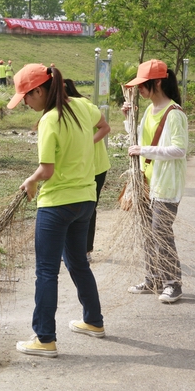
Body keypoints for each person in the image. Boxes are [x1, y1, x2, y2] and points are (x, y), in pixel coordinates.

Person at [8, 63, 105, 358]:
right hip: (85, 200)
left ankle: (45, 338)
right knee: (78, 263)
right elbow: (103, 126)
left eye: (26, 96)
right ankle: (93, 321)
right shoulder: (83, 106)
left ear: (39, 90)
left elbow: (47, 170)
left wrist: (31, 180)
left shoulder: (49, 120)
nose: (25, 102)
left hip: (57, 205)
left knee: (47, 271)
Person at [124, 59, 188, 303]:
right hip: (146, 182)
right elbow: (138, 143)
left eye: (143, 85)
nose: (139, 90)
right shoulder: (148, 111)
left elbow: (179, 150)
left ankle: (173, 282)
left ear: (158, 82)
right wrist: (128, 119)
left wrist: (144, 151)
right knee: (147, 234)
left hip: (166, 184)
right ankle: (152, 278)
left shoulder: (175, 113)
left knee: (161, 233)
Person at [63, 79, 111, 263]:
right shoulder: (62, 111)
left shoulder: (84, 105)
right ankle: (72, 248)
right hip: (80, 167)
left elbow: (105, 127)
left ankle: (86, 250)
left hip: (96, 167)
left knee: (90, 209)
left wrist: (87, 143)